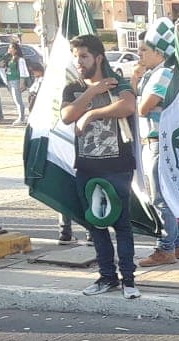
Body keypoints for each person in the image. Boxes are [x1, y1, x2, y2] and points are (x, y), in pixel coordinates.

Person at [61, 34, 140, 299]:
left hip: (117, 166)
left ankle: (129, 279)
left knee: (121, 224)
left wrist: (93, 113)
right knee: (96, 224)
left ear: (98, 57)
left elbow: (128, 105)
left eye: (84, 56)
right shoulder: (73, 88)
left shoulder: (116, 82)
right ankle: (107, 277)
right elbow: (67, 116)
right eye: (76, 56)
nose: (79, 61)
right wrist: (92, 92)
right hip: (86, 166)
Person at [133, 21, 179, 268]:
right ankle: (175, 244)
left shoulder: (163, 73)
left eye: (144, 50)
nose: (140, 54)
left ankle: (166, 247)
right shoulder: (157, 73)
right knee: (167, 197)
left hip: (158, 142)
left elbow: (143, 107)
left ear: (159, 52)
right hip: (158, 141)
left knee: (161, 198)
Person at [2, 42, 29, 125]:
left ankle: (22, 118)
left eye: (11, 48)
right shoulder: (9, 58)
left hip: (16, 80)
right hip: (9, 80)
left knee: (18, 100)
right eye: (9, 48)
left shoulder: (20, 59)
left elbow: (23, 72)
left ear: (15, 50)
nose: (9, 49)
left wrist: (22, 82)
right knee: (15, 99)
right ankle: (21, 117)